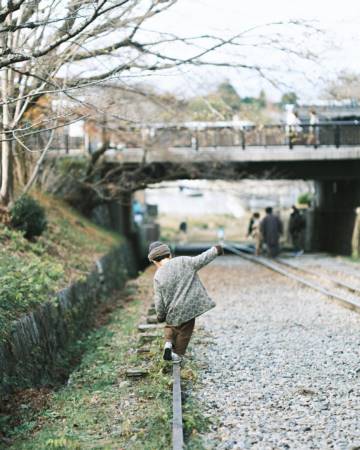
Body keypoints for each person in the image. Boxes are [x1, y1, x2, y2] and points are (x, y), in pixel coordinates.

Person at [148, 241, 223, 362]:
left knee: (170, 326)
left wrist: (160, 315)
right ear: (169, 255)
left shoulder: (158, 276)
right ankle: (178, 354)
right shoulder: (184, 261)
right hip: (190, 306)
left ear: (155, 261)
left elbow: (158, 299)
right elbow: (202, 259)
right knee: (185, 332)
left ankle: (168, 343)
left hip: (173, 310)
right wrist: (216, 250)